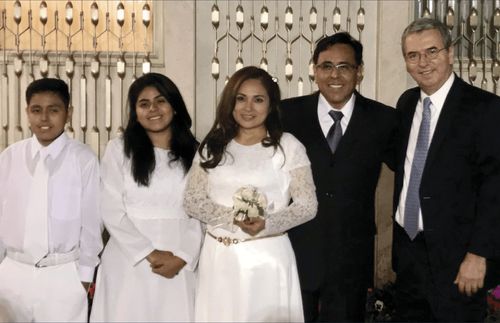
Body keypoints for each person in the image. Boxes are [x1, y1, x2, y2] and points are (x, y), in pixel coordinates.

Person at [183, 66, 318, 322]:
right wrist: (233, 218)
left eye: (258, 99)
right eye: (241, 98)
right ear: (230, 102)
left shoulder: (288, 146)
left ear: (271, 105)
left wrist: (267, 224)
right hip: (218, 258)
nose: (248, 108)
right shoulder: (212, 145)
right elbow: (192, 200)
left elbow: (307, 205)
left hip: (266, 259)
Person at [280, 32, 398, 322]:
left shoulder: (384, 119)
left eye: (344, 67)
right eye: (326, 66)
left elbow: (411, 171)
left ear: (359, 73)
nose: (335, 75)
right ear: (315, 71)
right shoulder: (286, 114)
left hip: (352, 254)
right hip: (295, 248)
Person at [392, 18, 500, 321]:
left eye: (432, 51)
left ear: (450, 53)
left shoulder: (485, 108)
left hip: (459, 260)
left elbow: (495, 187)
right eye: (413, 55)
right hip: (409, 254)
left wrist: (479, 255)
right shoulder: (406, 103)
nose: (423, 62)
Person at [90, 73, 203, 322]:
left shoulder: (197, 154)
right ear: (135, 112)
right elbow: (110, 209)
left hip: (179, 262)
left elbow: (200, 212)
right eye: (143, 104)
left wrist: (183, 256)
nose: (153, 109)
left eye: (160, 101)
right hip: (128, 261)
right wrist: (148, 252)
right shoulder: (119, 149)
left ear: (174, 106)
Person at [0, 78, 102, 322]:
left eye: (53, 110)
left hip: (63, 274)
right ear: (27, 113)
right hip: (13, 269)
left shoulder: (83, 159)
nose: (44, 118)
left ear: (68, 113)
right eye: (36, 110)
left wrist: (83, 278)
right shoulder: (10, 157)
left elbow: (92, 221)